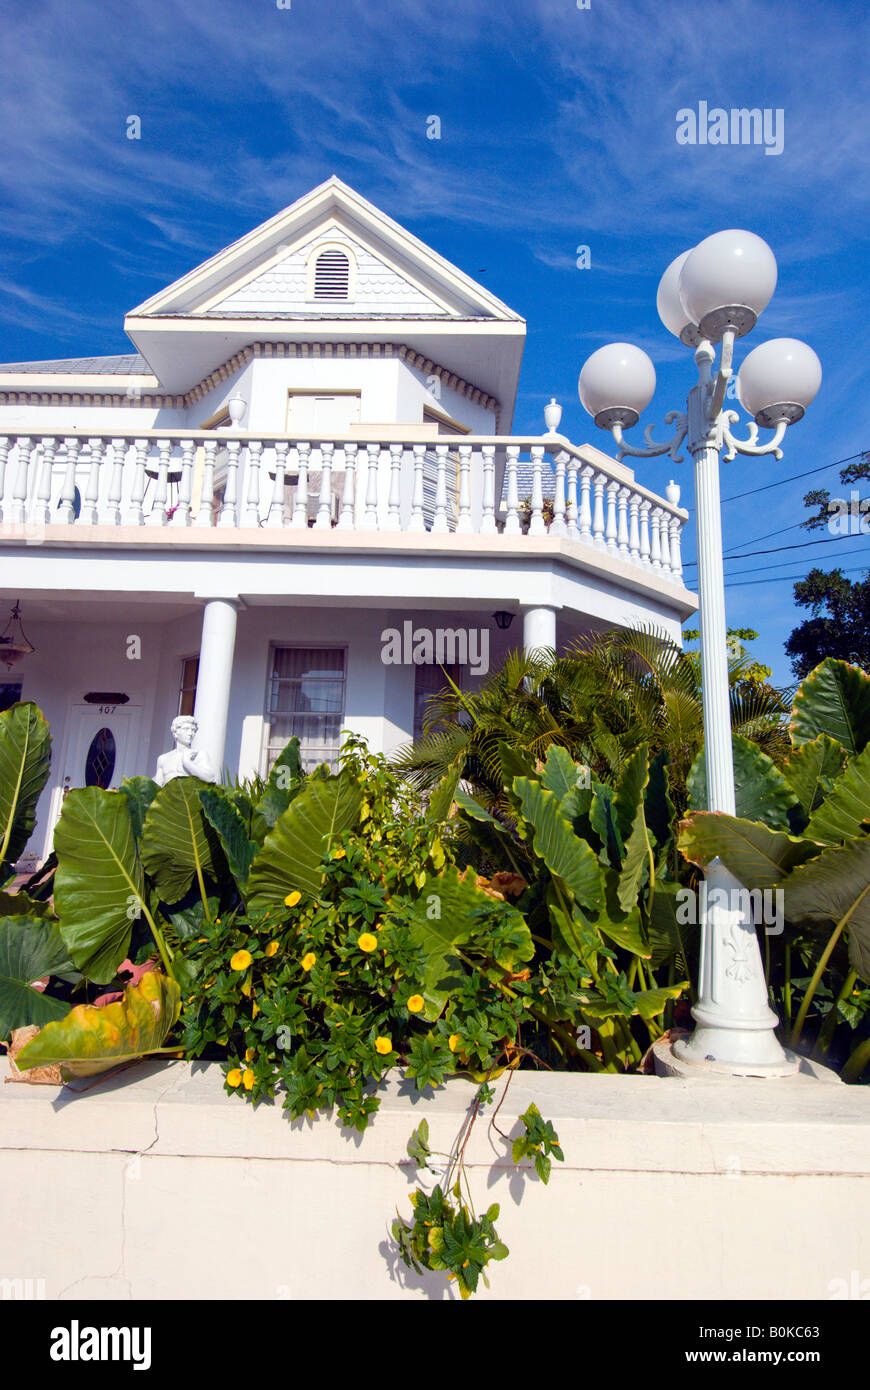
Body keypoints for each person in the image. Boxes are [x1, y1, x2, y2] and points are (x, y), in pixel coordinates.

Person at [154, 715, 217, 785]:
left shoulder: (198, 755)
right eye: (186, 729)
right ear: (175, 733)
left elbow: (210, 778)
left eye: (193, 730)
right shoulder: (163, 759)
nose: (190, 733)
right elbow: (157, 786)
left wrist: (188, 763)